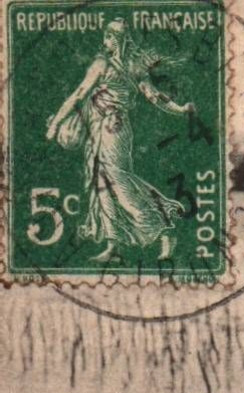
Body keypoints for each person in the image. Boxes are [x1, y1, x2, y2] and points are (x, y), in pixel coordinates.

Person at [44, 19, 193, 263]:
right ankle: (114, 246)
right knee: (100, 183)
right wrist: (180, 109)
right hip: (102, 128)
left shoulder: (107, 64)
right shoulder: (127, 64)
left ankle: (164, 229)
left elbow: (80, 94)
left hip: (113, 128)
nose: (105, 42)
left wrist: (54, 123)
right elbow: (154, 96)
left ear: (115, 39)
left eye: (109, 37)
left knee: (118, 181)